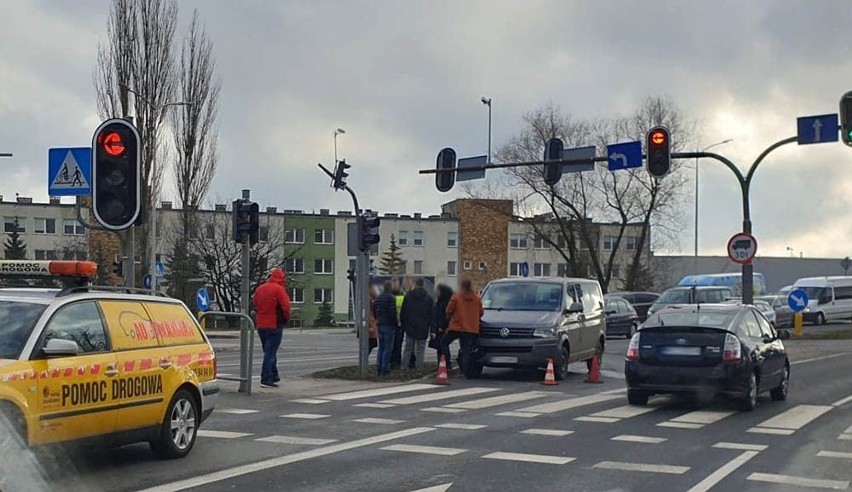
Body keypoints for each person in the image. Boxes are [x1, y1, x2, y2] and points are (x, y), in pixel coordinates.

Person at [252, 268, 291, 388]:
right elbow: (285, 306)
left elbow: (255, 303)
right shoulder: (279, 289)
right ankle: (266, 378)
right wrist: (286, 318)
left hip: (261, 325)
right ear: (282, 278)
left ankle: (274, 375)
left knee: (268, 351)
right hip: (274, 324)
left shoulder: (260, 288)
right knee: (270, 353)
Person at [441, 279, 483, 378]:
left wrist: (449, 319)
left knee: (444, 342)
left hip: (457, 326)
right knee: (466, 351)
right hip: (471, 329)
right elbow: (481, 312)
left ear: (462, 286)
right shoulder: (477, 298)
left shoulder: (457, 297)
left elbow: (448, 310)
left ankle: (447, 364)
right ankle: (464, 372)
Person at [400, 278, 434, 372]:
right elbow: (431, 314)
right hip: (423, 327)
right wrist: (432, 328)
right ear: (423, 285)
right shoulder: (428, 298)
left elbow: (403, 312)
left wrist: (404, 325)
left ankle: (404, 367)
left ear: (415, 284)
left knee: (408, 348)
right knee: (421, 350)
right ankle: (419, 368)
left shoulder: (408, 297)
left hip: (410, 326)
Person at [374, 281, 398, 376]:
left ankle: (379, 367)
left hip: (380, 323)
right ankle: (385, 369)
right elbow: (393, 312)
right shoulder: (391, 298)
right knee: (388, 348)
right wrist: (395, 323)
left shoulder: (379, 297)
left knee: (381, 347)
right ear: (390, 288)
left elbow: (375, 310)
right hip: (388, 324)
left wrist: (378, 319)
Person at [431, 284, 453, 364]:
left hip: (443, 328)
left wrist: (442, 326)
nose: (436, 292)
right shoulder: (439, 302)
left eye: (437, 290)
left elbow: (446, 316)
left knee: (443, 345)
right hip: (438, 327)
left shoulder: (445, 303)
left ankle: (446, 363)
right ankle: (441, 363)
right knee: (439, 346)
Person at [390, 278, 406, 370]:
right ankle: (395, 363)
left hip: (398, 325)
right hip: (396, 324)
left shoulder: (401, 296)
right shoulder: (401, 296)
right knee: (395, 345)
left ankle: (395, 363)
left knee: (396, 345)